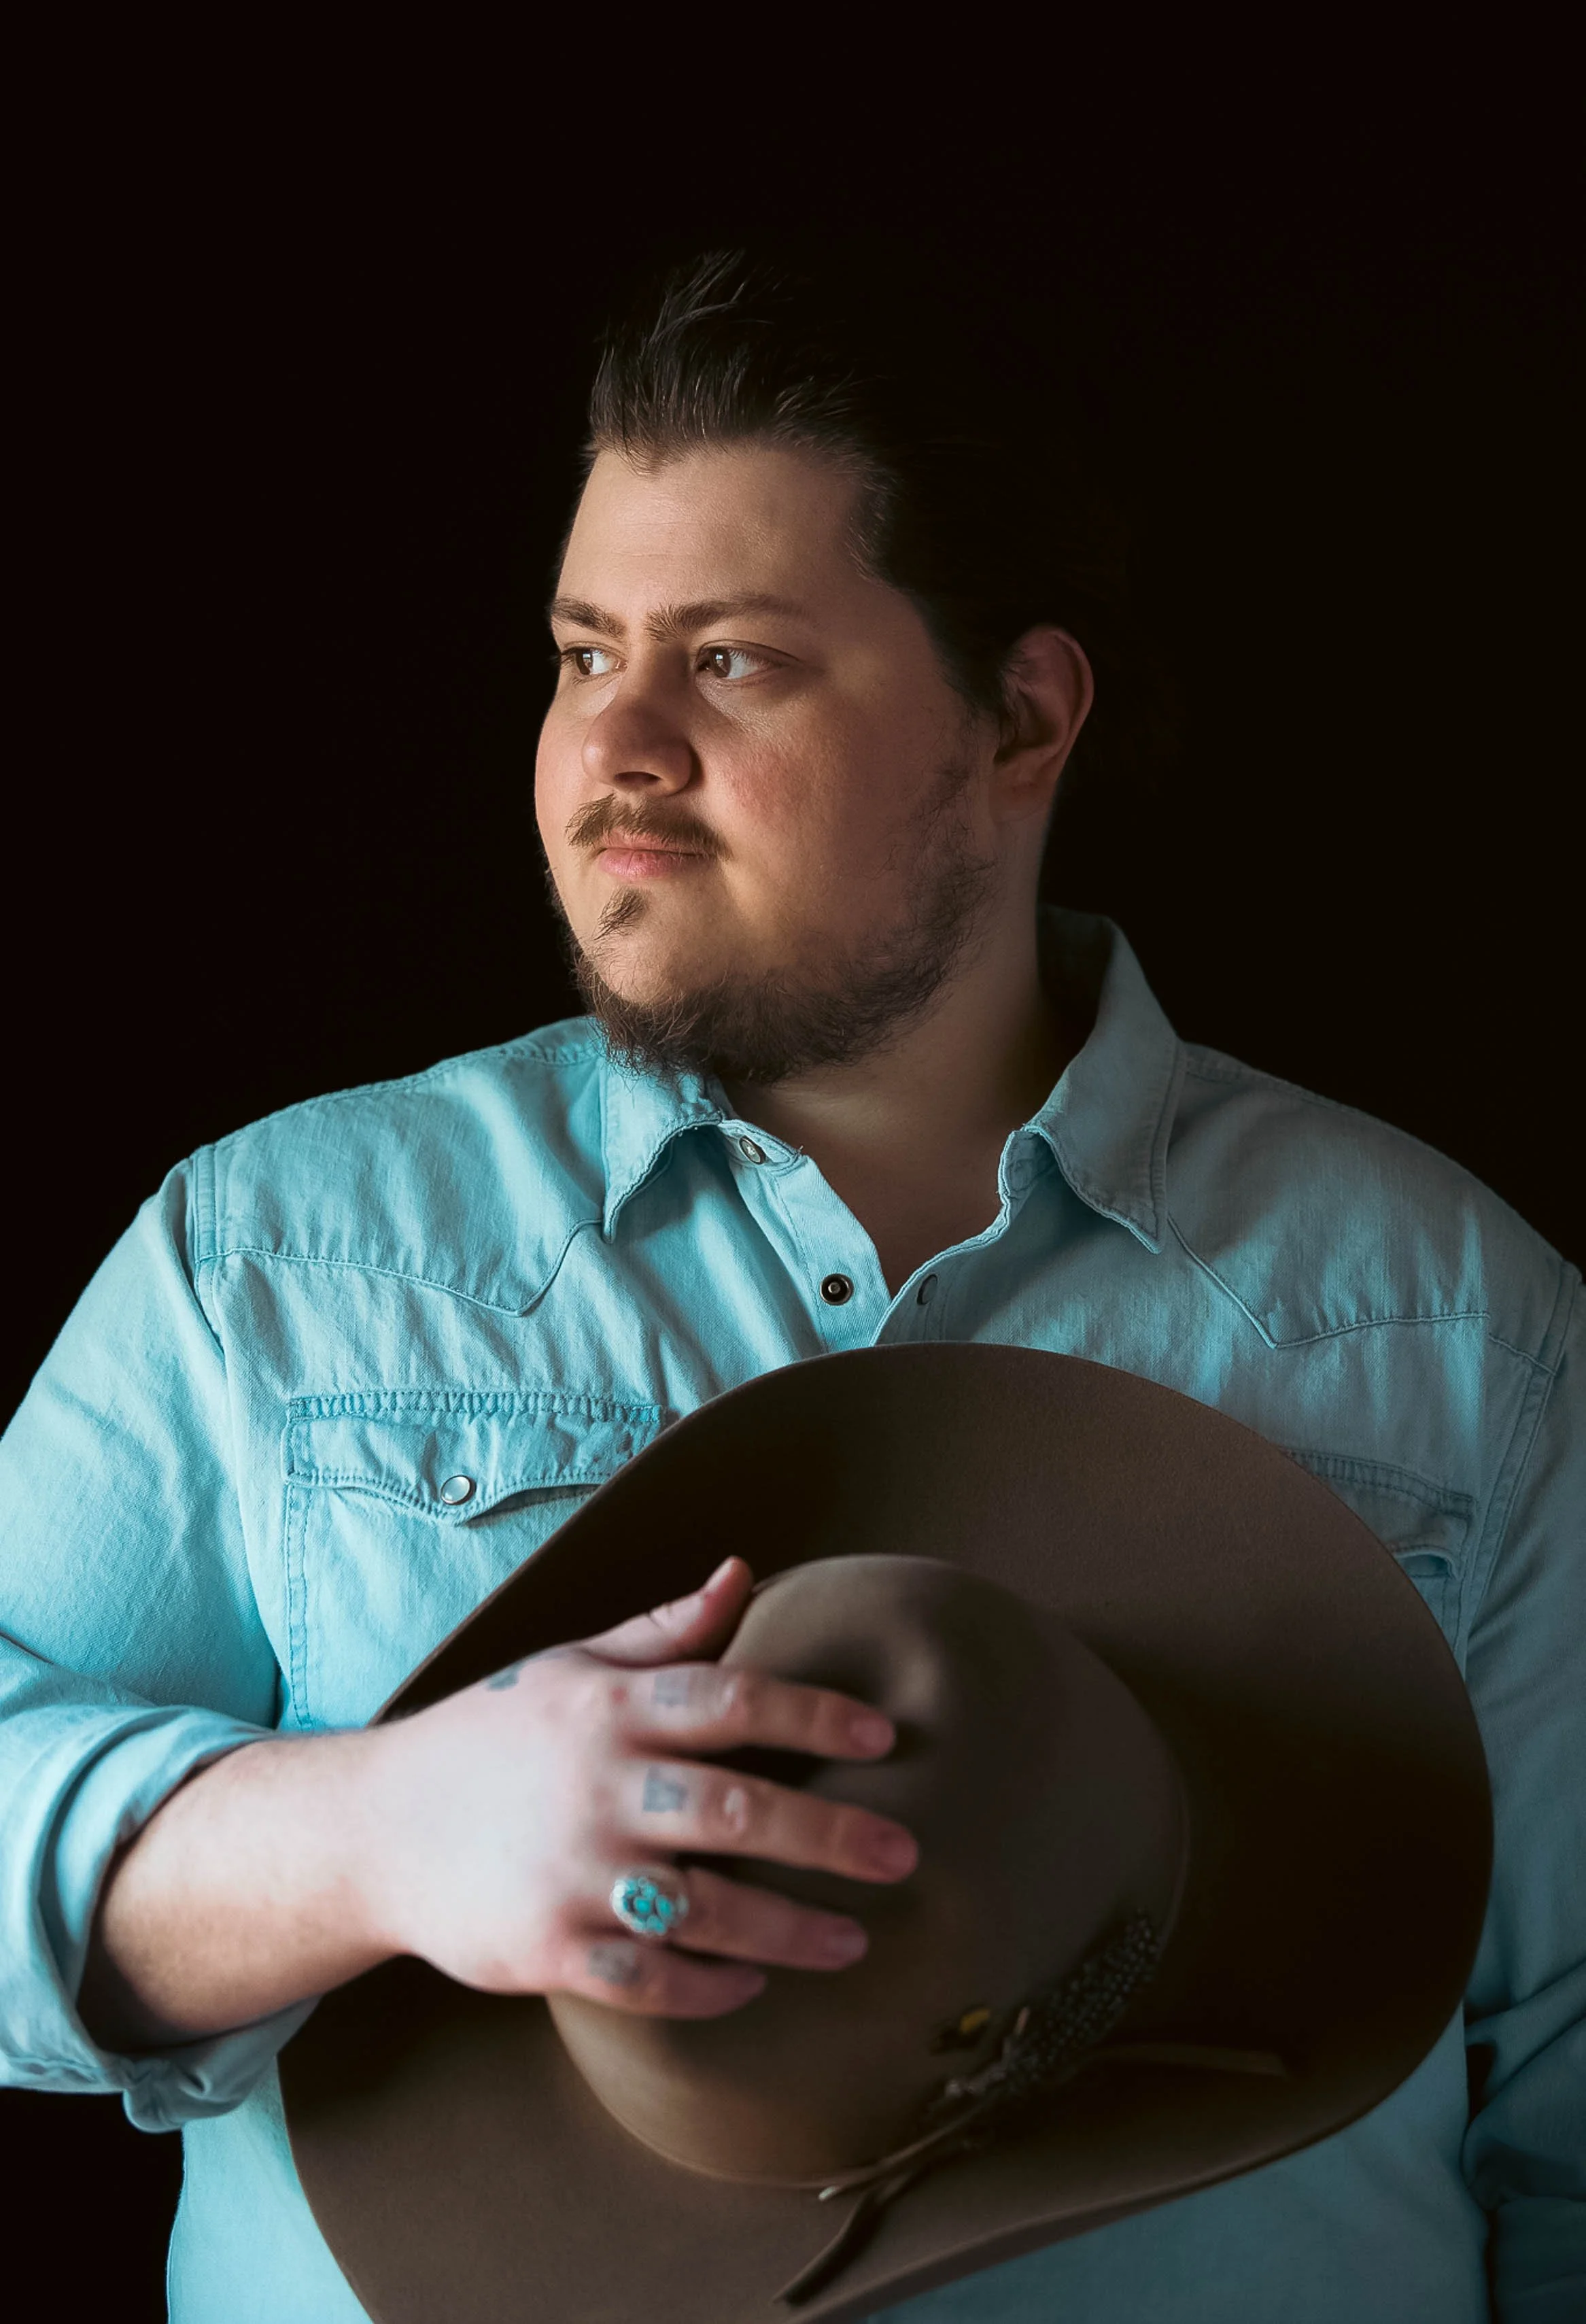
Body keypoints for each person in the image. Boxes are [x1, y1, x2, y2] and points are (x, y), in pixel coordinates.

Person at [0, 249, 1580, 2323]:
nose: (613, 744)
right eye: (582, 652)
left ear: (1023, 716)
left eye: (730, 661)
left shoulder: (1458, 1328)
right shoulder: (278, 1255)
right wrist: (372, 1829)